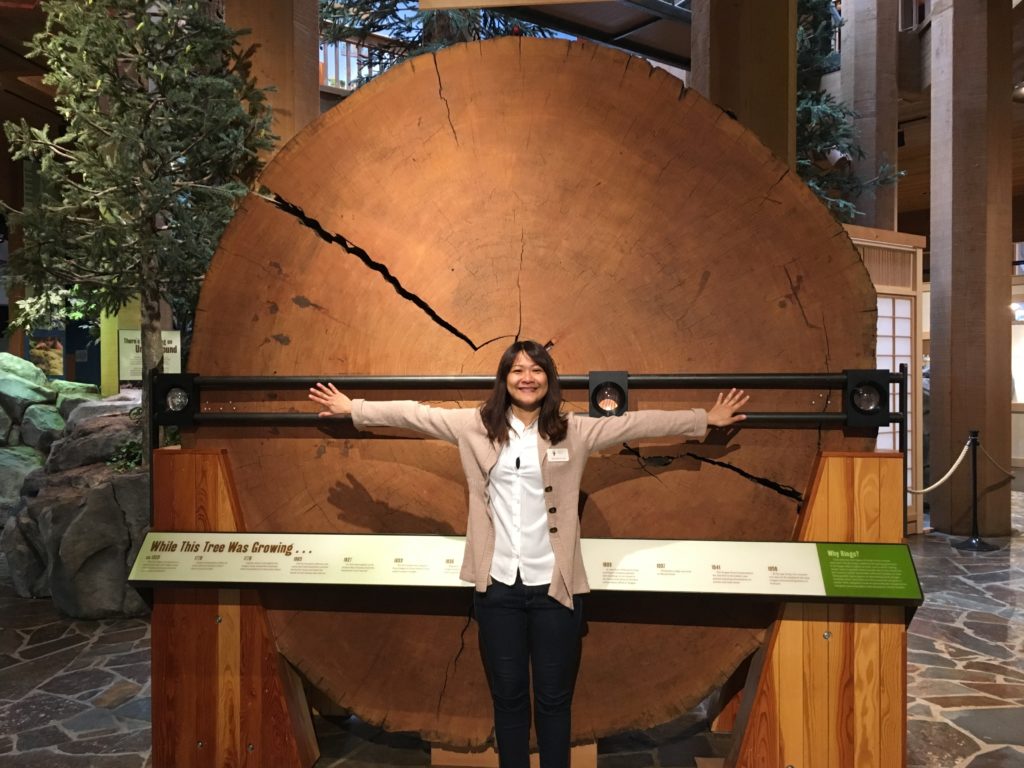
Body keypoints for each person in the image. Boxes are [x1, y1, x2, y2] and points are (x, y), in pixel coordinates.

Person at [308, 340, 749, 768]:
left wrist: (704, 419)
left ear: (548, 381)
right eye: (517, 369)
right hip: (498, 589)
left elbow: (636, 425)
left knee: (555, 702)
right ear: (504, 379)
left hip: (555, 592)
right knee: (509, 699)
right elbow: (414, 415)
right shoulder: (475, 426)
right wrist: (354, 408)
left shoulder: (573, 429)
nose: (527, 377)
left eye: (536, 370)